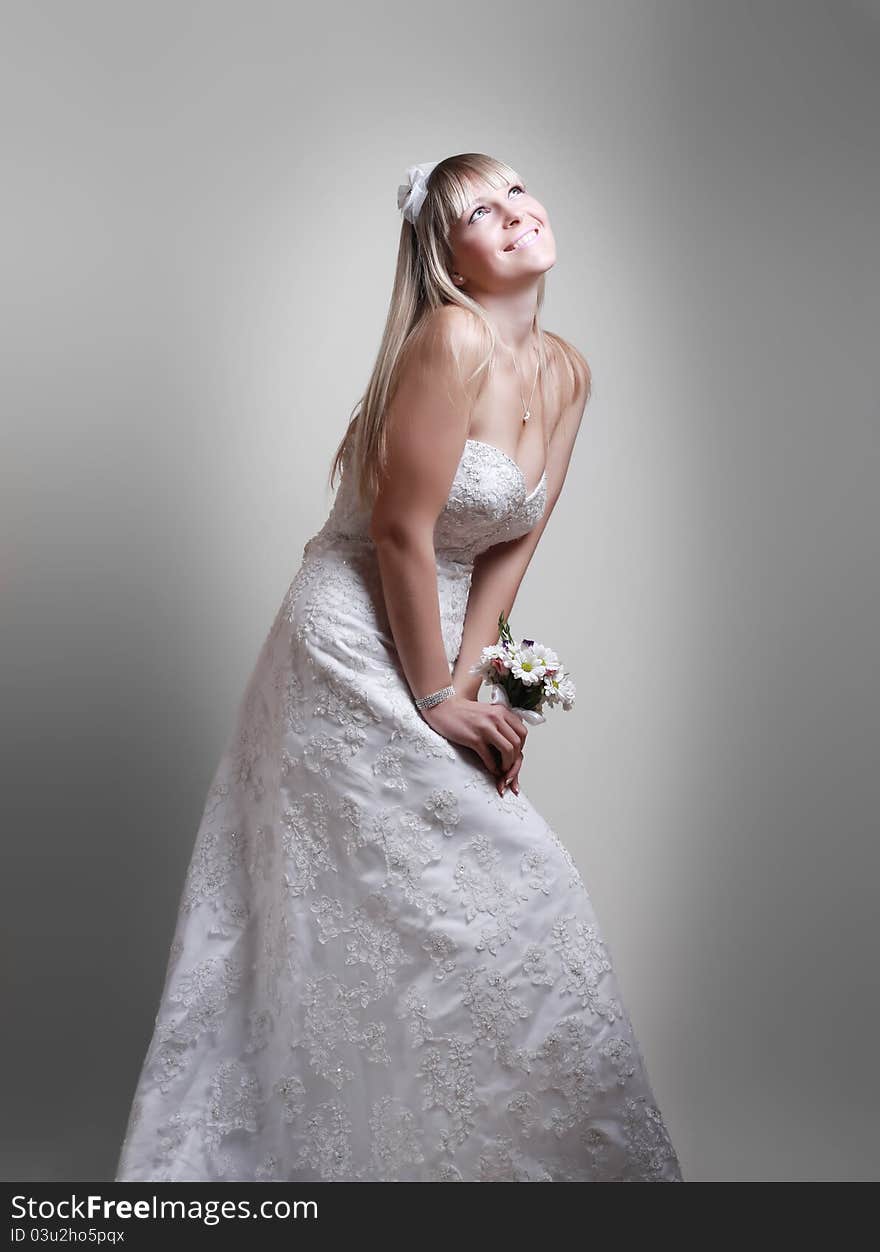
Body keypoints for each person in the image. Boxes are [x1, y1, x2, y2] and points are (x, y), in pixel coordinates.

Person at [114, 153, 684, 1182]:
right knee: (416, 892)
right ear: (446, 254)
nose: (513, 211)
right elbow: (402, 531)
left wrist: (470, 690)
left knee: (443, 900)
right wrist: (430, 699)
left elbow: (512, 546)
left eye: (518, 190)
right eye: (479, 209)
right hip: (354, 631)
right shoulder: (449, 335)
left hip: (440, 629)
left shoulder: (567, 370)